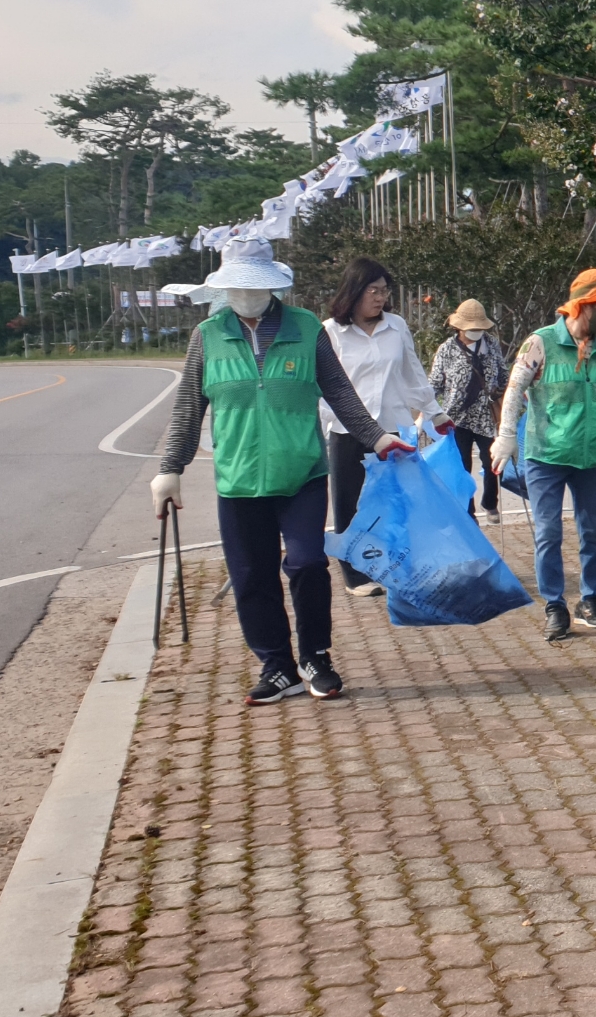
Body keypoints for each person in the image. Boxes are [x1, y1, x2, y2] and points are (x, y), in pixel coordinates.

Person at [149, 238, 412, 706]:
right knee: (252, 575)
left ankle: (315, 657)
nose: (247, 295)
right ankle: (277, 667)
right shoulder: (207, 336)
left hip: (302, 474)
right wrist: (171, 468)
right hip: (238, 479)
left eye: (256, 286)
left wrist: (376, 437)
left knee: (308, 562)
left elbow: (338, 390)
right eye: (238, 286)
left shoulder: (306, 328)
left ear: (274, 286)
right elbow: (189, 407)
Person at [498, 270, 596, 642]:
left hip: (591, 458)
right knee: (548, 532)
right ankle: (555, 605)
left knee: (593, 532)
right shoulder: (540, 343)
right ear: (583, 304)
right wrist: (506, 435)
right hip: (547, 456)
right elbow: (513, 391)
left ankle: (590, 600)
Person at [321, 258, 448, 596]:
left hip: (393, 428)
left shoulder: (396, 326)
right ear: (354, 292)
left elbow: (412, 373)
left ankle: (392, 566)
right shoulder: (332, 331)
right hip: (347, 431)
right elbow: (324, 384)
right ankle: (356, 576)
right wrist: (324, 425)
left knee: (395, 502)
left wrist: (435, 413)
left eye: (384, 291)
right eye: (372, 291)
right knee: (351, 503)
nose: (379, 298)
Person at [429, 299, 509, 523]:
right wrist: (426, 412)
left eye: (478, 328)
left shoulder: (491, 345)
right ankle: (468, 512)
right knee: (462, 467)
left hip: (485, 415)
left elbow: (503, 374)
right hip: (456, 418)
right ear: (460, 327)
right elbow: (435, 382)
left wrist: (504, 392)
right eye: (471, 328)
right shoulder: (447, 349)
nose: (475, 332)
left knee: (494, 461)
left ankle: (490, 502)